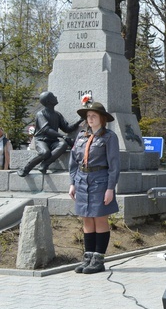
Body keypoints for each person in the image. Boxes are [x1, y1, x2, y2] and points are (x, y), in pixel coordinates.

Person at [68, 102, 120, 274]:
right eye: (88, 116)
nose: (90, 119)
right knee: (86, 219)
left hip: (100, 181)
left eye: (94, 116)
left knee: (99, 219)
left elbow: (114, 165)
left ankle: (98, 260)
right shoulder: (81, 136)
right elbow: (74, 161)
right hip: (82, 181)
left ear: (102, 118)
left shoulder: (109, 137)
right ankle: (88, 257)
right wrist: (72, 183)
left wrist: (110, 188)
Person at [17, 91, 83, 177]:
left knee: (63, 144)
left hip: (53, 141)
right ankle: (26, 169)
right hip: (41, 140)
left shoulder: (57, 114)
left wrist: (80, 120)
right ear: (48, 101)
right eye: (52, 96)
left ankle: (44, 165)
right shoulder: (40, 114)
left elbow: (67, 129)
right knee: (45, 152)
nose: (55, 97)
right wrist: (62, 136)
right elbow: (46, 129)